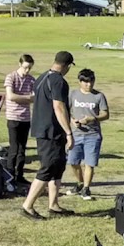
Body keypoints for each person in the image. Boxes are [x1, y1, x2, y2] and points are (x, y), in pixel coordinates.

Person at [22, 51, 75, 220]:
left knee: (58, 167)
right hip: (50, 131)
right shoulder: (58, 81)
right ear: (67, 65)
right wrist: (69, 132)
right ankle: (27, 205)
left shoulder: (41, 77)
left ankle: (54, 204)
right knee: (47, 167)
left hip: (43, 129)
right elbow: (59, 107)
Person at [66, 68, 109, 200]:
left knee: (89, 163)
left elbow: (106, 114)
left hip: (93, 135)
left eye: (91, 82)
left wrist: (93, 118)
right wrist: (73, 121)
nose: (89, 85)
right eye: (85, 82)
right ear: (80, 82)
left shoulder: (99, 96)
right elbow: (66, 112)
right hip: (76, 134)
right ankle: (79, 183)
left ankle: (86, 188)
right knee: (73, 162)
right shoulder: (73, 95)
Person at [2, 54, 36, 185]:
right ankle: (9, 175)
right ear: (19, 64)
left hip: (26, 118)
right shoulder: (11, 77)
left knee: (22, 149)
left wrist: (22, 97)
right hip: (13, 117)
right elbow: (10, 96)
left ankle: (19, 175)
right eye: (25, 67)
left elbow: (34, 97)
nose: (27, 71)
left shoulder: (32, 80)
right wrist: (27, 98)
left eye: (29, 68)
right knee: (14, 148)